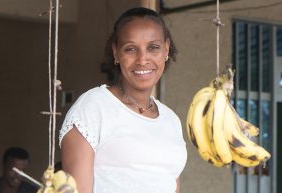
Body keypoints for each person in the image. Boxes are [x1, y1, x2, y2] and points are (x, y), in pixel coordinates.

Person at [59, 7, 187, 193]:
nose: (143, 59)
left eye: (153, 47)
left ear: (166, 49)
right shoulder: (93, 108)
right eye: (131, 49)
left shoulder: (171, 120)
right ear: (116, 52)